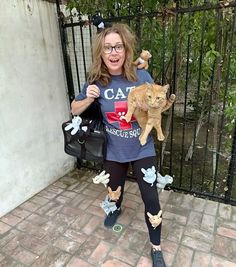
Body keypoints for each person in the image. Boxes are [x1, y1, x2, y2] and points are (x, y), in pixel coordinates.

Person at [71, 23, 166, 267]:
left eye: (118, 47)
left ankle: (156, 246)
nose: (113, 53)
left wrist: (148, 107)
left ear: (126, 50)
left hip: (142, 147)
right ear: (101, 53)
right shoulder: (96, 81)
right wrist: (89, 97)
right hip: (113, 150)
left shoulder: (141, 77)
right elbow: (74, 108)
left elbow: (158, 104)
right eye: (107, 48)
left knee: (151, 198)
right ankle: (115, 210)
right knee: (114, 189)